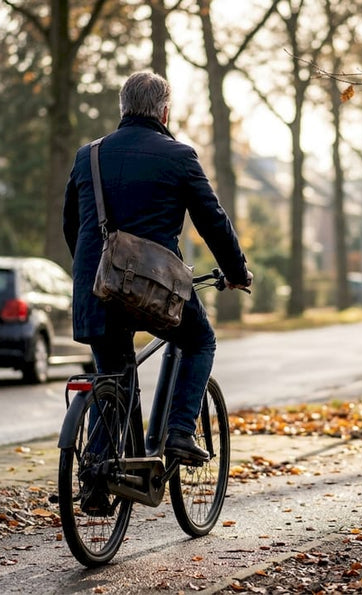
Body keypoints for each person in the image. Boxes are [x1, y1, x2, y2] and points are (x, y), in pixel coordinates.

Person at [63, 71, 252, 464]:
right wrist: (236, 272)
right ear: (164, 113)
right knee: (200, 341)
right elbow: (213, 221)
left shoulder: (89, 156)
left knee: (112, 372)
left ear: (123, 108)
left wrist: (96, 274)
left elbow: (71, 226)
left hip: (96, 288)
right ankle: (180, 431)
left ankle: (97, 473)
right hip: (153, 290)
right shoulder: (178, 156)